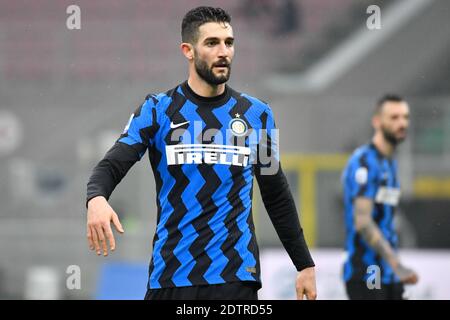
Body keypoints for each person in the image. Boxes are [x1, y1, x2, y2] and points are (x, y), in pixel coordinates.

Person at [86, 6, 316, 300]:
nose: (224, 52)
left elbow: (275, 193)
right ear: (188, 50)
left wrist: (304, 264)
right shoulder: (158, 110)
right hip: (170, 276)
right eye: (212, 43)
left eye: (229, 42)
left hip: (234, 278)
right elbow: (112, 164)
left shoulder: (256, 115)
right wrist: (96, 197)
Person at [341, 94, 419, 300]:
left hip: (389, 275)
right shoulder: (364, 162)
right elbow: (363, 223)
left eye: (405, 117)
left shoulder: (390, 162)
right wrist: (398, 265)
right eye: (394, 117)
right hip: (368, 273)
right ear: (377, 121)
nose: (402, 123)